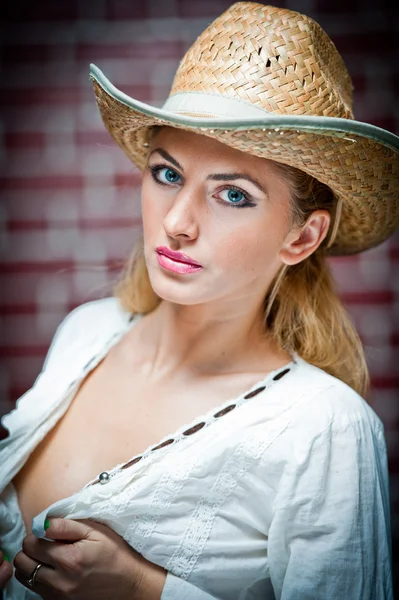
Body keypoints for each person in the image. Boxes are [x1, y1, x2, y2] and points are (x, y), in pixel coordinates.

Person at [0, 2, 398, 599]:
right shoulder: (87, 331)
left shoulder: (325, 429)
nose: (178, 222)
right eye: (166, 174)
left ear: (302, 236)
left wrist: (144, 589)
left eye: (232, 195)